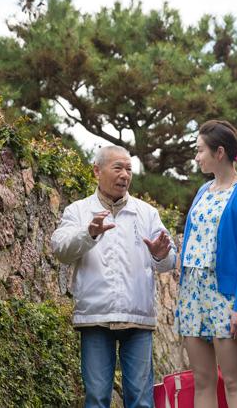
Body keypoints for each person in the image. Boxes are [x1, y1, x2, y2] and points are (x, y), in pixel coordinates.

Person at [51, 145, 176, 408]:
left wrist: (161, 255)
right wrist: (89, 234)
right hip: (95, 317)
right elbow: (60, 250)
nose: (125, 175)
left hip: (138, 317)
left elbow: (169, 261)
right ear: (97, 170)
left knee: (141, 400)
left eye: (129, 169)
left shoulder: (147, 213)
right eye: (117, 167)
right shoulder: (79, 210)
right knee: (96, 398)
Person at [174, 120, 237, 408]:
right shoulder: (202, 190)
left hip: (225, 295)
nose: (196, 157)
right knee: (203, 381)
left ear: (219, 152)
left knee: (235, 381)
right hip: (192, 293)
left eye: (200, 150)